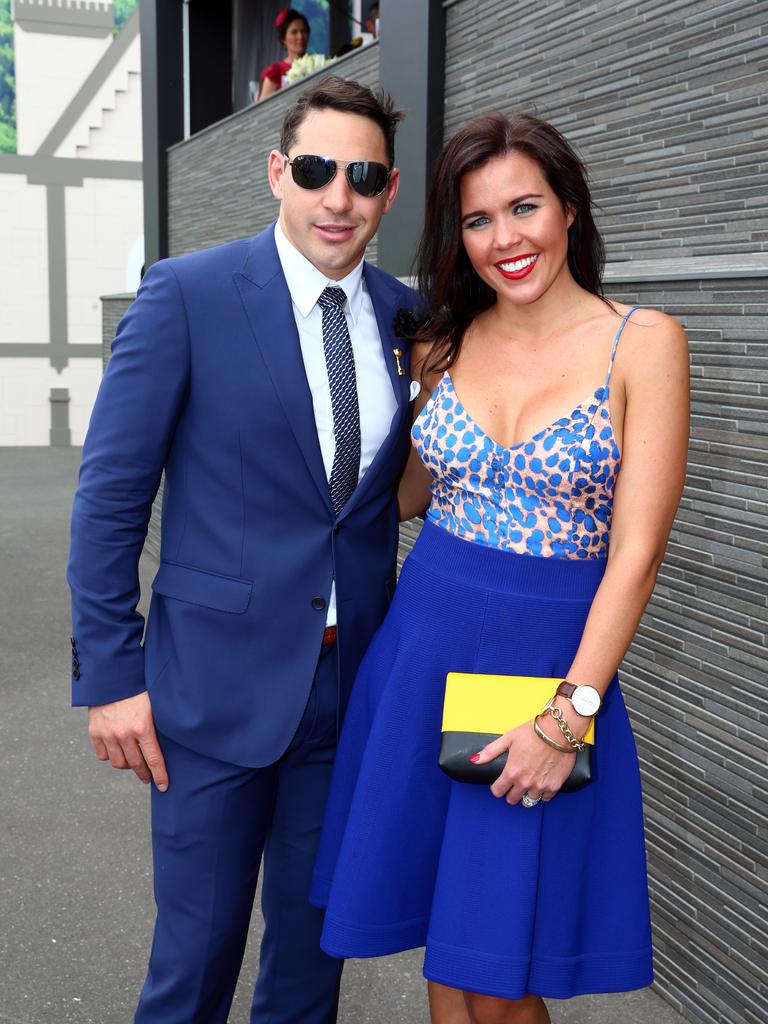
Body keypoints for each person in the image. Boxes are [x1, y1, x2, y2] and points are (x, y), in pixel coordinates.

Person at [311, 112, 689, 1024]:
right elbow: (396, 498)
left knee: (499, 979)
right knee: (448, 962)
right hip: (419, 660)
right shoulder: (439, 343)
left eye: (525, 208)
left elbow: (636, 554)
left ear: (568, 208)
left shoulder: (643, 343)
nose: (504, 239)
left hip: (547, 675)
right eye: (478, 220)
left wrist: (569, 717)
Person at [67, 75, 416, 1024]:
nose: (337, 196)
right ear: (276, 173)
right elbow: (109, 498)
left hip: (351, 699)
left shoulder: (408, 320)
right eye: (315, 170)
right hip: (210, 695)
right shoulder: (186, 295)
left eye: (362, 174)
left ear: (388, 189)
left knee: (311, 970)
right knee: (196, 966)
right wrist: (109, 675)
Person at [258, 8, 310, 101]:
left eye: (304, 31)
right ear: (283, 39)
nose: (300, 36)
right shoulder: (275, 72)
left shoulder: (318, 65)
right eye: (294, 32)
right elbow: (262, 112)